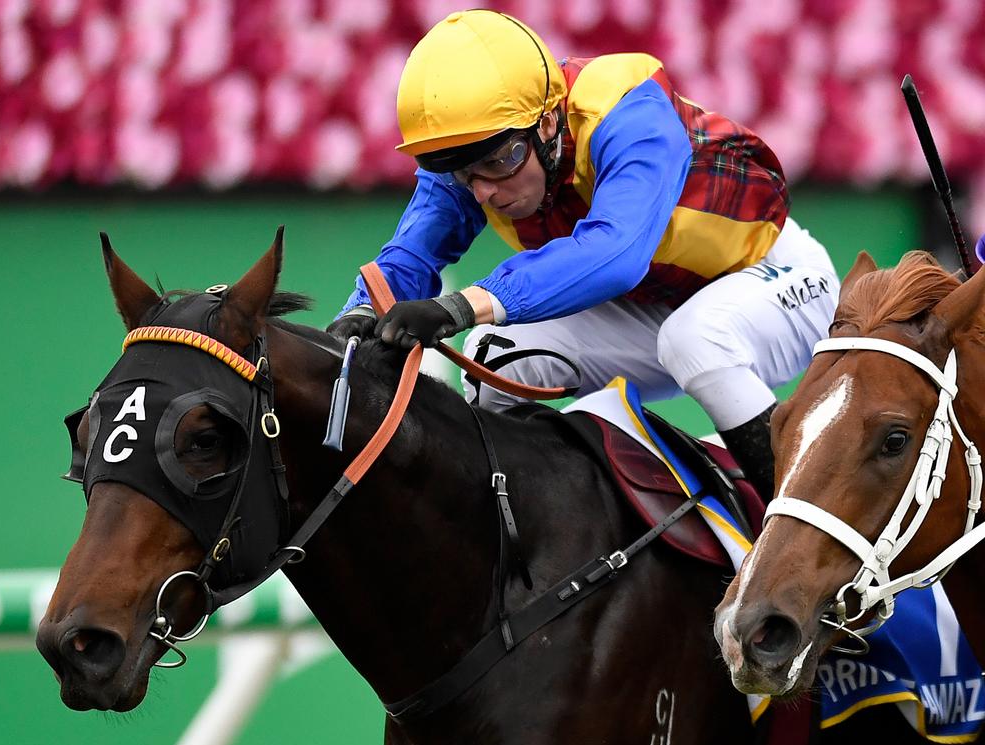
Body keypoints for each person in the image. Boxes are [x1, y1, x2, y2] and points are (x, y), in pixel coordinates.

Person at [327, 9, 840, 503]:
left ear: (548, 123)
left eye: (500, 161)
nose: (483, 190)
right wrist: (357, 313)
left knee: (696, 339)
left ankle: (816, 550)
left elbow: (616, 252)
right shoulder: (476, 157)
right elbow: (409, 259)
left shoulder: (627, 106)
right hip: (648, 312)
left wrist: (463, 305)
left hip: (775, 278)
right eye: (462, 173)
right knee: (493, 354)